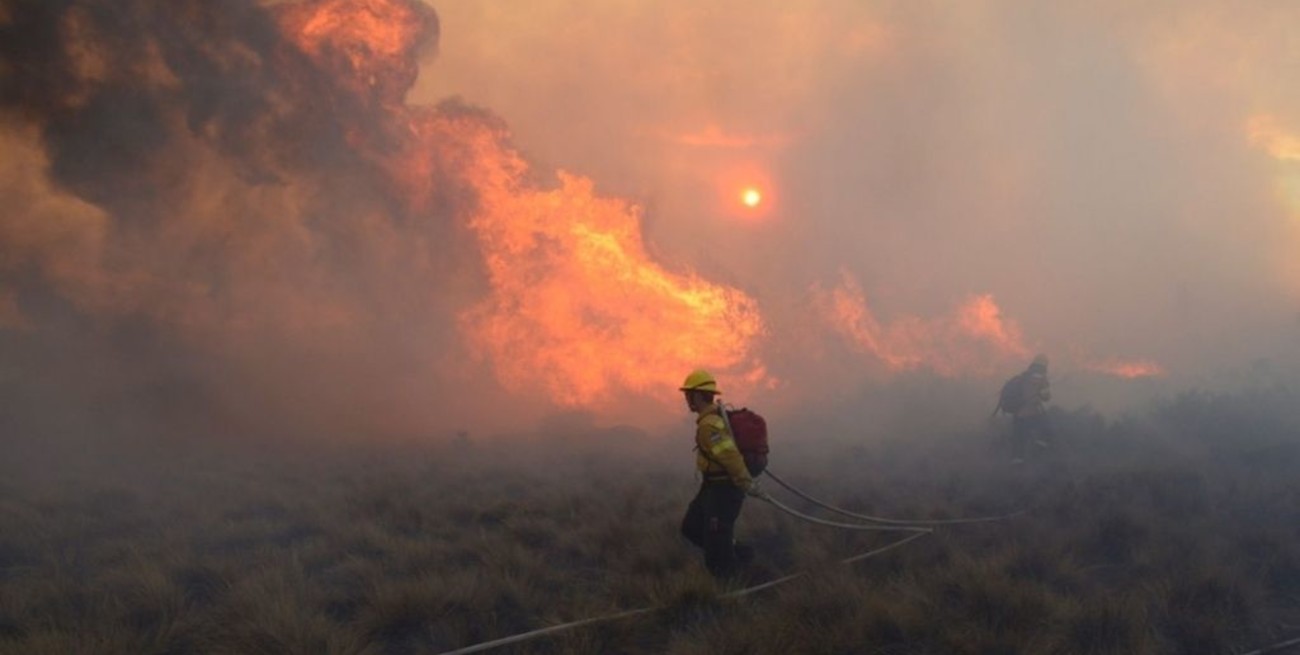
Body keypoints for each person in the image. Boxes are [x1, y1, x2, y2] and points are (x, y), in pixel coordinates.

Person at [677, 369, 766, 579]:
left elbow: (730, 456)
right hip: (711, 487)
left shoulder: (710, 426)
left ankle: (733, 586)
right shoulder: (714, 418)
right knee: (691, 527)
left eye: (688, 394)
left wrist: (747, 484)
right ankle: (740, 554)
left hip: (724, 490)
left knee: (717, 556)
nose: (686, 399)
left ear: (697, 395)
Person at [1009, 354, 1053, 462]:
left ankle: (1017, 462)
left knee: (1019, 439)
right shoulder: (1042, 379)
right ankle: (1038, 455)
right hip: (1033, 414)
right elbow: (1046, 397)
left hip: (1018, 413)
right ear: (1045, 365)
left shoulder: (1024, 376)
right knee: (1044, 434)